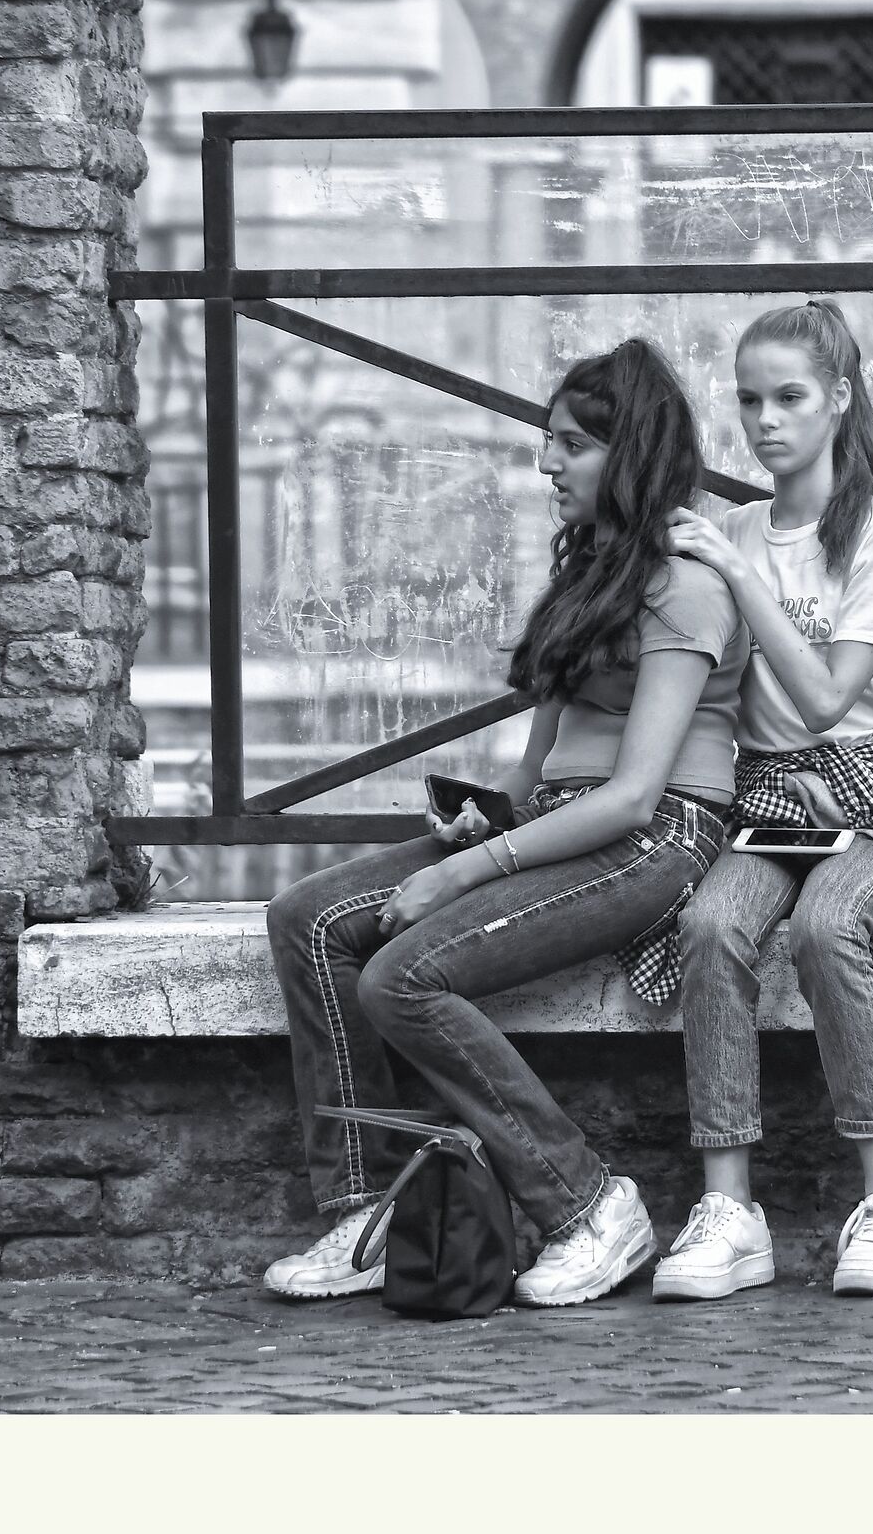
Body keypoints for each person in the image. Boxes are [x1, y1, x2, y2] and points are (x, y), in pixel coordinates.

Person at [259, 338, 749, 1307]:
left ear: (629, 454)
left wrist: (463, 875)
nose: (546, 463)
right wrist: (480, 827)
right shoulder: (589, 577)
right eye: (546, 440)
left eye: (571, 445)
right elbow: (540, 768)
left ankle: (589, 1206)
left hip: (658, 837)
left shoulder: (687, 587)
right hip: (563, 822)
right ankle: (367, 1205)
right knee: (307, 920)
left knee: (403, 977)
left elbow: (633, 795)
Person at [659, 299, 873, 1299]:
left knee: (830, 926)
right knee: (709, 926)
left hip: (872, 796)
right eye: (749, 401)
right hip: (768, 799)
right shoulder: (732, 530)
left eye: (789, 397)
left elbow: (828, 699)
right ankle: (730, 1209)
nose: (766, 420)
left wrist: (739, 575)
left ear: (839, 398)